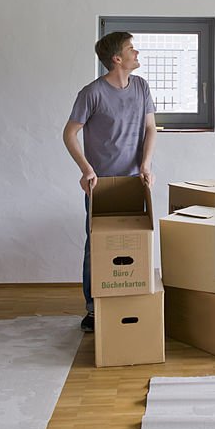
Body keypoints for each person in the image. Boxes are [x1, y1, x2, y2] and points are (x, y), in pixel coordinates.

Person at [63, 32, 157, 332]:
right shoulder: (91, 93)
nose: (136, 52)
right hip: (101, 184)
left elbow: (151, 128)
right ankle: (93, 308)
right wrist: (86, 169)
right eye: (131, 49)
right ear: (117, 58)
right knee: (98, 244)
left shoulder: (141, 87)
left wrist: (145, 164)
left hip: (134, 181)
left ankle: (127, 298)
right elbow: (69, 134)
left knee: (136, 242)